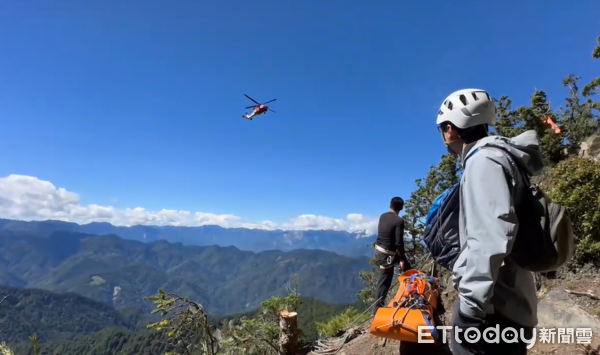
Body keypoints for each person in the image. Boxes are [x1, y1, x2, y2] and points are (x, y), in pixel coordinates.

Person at [436, 89, 539, 354]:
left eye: (441, 129)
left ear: (451, 129)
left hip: (493, 306)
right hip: (512, 297)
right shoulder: (503, 158)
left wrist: (471, 307)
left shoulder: (483, 161)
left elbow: (490, 237)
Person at [372, 197, 411, 316]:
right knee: (385, 281)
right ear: (401, 208)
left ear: (390, 205)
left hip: (380, 250)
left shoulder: (383, 216)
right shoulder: (399, 221)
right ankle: (376, 311)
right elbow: (399, 242)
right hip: (387, 254)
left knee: (408, 270)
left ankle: (409, 296)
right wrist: (402, 259)